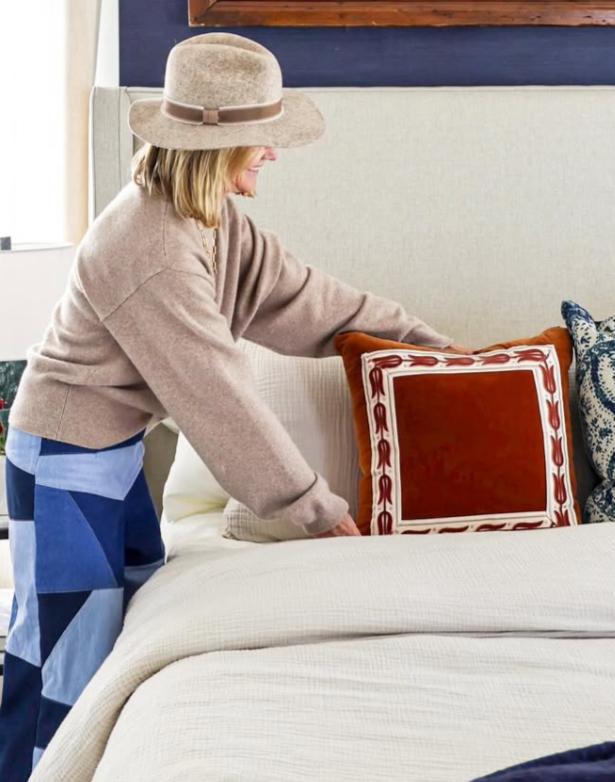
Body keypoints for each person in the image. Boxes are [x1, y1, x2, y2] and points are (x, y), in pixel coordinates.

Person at [0, 31, 471, 779]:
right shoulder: (149, 246)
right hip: (64, 457)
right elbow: (218, 396)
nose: (274, 155)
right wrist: (315, 508)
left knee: (94, 642)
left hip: (106, 453)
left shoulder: (206, 219)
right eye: (264, 139)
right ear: (215, 147)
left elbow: (313, 303)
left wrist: (444, 358)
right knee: (64, 662)